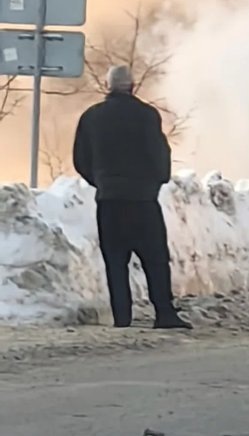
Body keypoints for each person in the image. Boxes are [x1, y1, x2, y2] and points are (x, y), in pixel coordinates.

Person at [72, 65, 191, 330]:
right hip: (143, 201)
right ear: (133, 86)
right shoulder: (146, 115)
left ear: (107, 86)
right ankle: (164, 313)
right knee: (155, 258)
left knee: (115, 261)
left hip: (109, 201)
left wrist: (101, 182)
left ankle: (122, 318)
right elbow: (159, 154)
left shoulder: (91, 117)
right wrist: (155, 181)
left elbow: (81, 158)